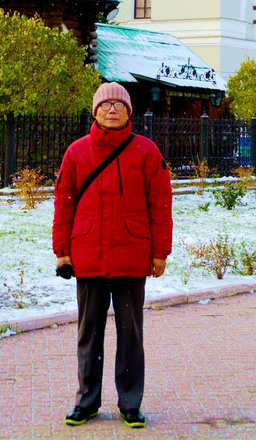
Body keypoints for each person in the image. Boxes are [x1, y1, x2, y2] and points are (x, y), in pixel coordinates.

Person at [53, 81, 173, 429]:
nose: (111, 110)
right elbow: (64, 203)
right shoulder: (76, 152)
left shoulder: (147, 152)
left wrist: (160, 252)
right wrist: (62, 252)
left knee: (131, 333)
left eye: (118, 105)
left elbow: (161, 205)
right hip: (89, 255)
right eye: (105, 105)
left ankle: (130, 403)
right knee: (88, 333)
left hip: (132, 255)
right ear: (95, 111)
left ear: (128, 111)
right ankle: (87, 401)